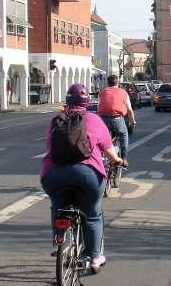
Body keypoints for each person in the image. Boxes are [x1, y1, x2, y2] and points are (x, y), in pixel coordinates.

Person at [41, 84, 126, 268]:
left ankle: (59, 242)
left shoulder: (56, 120)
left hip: (53, 175)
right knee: (93, 214)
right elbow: (110, 153)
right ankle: (94, 257)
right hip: (87, 176)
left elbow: (49, 147)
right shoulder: (94, 120)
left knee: (57, 206)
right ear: (87, 101)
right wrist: (119, 160)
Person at [96, 74, 135, 160]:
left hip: (103, 119)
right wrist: (132, 121)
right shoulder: (123, 92)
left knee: (102, 137)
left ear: (107, 83)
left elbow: (98, 107)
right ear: (118, 83)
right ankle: (124, 158)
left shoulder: (102, 92)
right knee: (124, 134)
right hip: (117, 119)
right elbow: (129, 110)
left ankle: (100, 157)